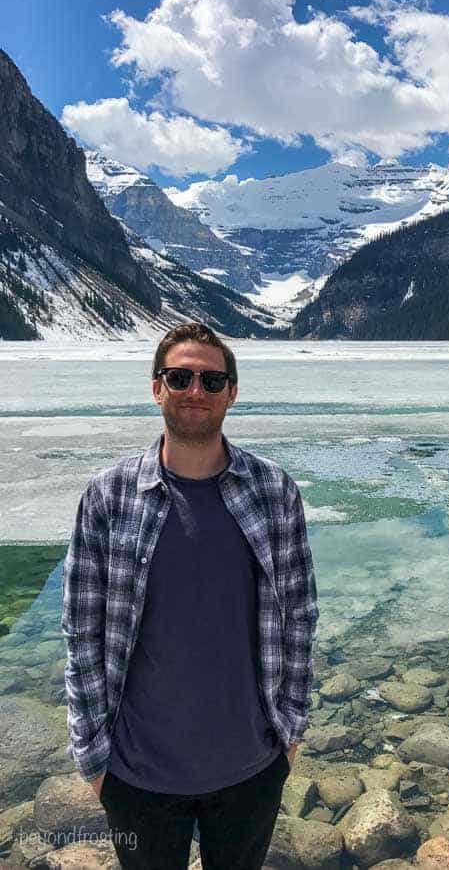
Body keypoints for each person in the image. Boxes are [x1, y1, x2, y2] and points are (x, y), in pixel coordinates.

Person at [61, 321, 319, 870]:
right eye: (180, 378)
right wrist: (92, 754)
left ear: (232, 392)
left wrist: (290, 731)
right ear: (157, 388)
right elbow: (81, 630)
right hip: (135, 775)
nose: (195, 391)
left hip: (252, 768)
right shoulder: (109, 495)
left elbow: (299, 614)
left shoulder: (274, 491)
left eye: (211, 379)